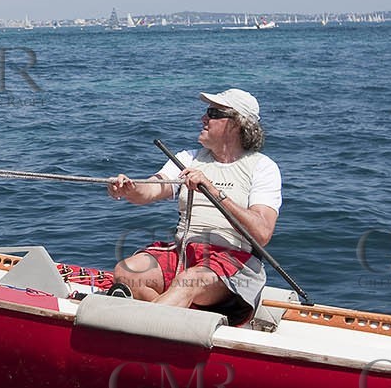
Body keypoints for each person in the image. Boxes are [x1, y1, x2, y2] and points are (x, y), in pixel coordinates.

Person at [106, 88, 281, 325]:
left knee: (189, 281)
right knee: (127, 272)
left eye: (213, 113)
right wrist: (129, 188)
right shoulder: (188, 158)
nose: (203, 118)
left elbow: (262, 233)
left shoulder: (262, 168)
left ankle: (141, 325)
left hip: (233, 260)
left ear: (236, 124)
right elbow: (152, 189)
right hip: (185, 253)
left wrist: (214, 192)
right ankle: (176, 318)